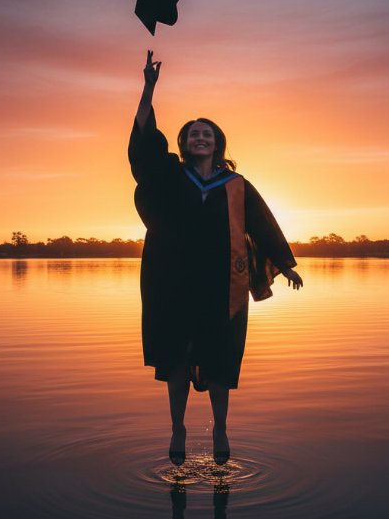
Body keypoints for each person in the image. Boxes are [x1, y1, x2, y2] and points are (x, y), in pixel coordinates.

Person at [129, 50, 303, 466]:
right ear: (185, 143)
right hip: (172, 282)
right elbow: (144, 150)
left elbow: (262, 223)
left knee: (220, 358)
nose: (199, 138)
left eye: (207, 133)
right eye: (193, 134)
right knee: (176, 356)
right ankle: (177, 429)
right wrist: (149, 89)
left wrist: (287, 263)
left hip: (223, 286)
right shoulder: (171, 176)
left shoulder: (237, 184)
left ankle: (221, 428)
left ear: (218, 142)